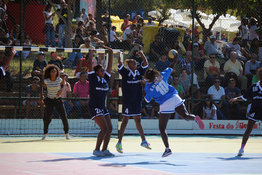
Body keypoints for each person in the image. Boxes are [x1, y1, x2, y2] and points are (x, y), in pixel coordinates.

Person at [143, 51, 204, 157]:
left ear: (148, 78)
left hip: (165, 103)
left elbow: (147, 100)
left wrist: (143, 86)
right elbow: (171, 67)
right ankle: (196, 118)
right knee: (185, 115)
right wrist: (175, 59)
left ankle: (167, 149)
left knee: (162, 128)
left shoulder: (148, 87)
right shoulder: (161, 76)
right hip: (175, 97)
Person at [116, 50, 151, 153]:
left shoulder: (139, 72)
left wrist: (142, 53)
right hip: (127, 101)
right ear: (129, 65)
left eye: (136, 62)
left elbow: (146, 63)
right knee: (125, 121)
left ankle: (143, 141)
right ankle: (119, 142)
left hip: (136, 100)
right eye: (133, 62)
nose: (135, 63)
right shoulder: (125, 72)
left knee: (138, 120)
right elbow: (119, 63)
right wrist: (120, 54)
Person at [87, 46, 114, 157]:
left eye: (103, 70)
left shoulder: (105, 79)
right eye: (101, 70)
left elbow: (110, 66)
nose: (103, 71)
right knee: (104, 129)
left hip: (102, 106)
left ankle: (105, 150)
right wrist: (91, 53)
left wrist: (110, 52)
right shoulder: (93, 78)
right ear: (97, 72)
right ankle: (96, 149)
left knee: (110, 129)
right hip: (94, 106)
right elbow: (89, 64)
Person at [229, 67, 262, 156]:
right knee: (248, 130)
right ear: (259, 77)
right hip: (255, 111)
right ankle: (242, 148)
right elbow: (244, 97)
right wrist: (236, 98)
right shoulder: (254, 87)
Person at [41, 64, 70, 140]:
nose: (54, 72)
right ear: (50, 73)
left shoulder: (59, 80)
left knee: (64, 116)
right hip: (49, 100)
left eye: (55, 71)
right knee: (47, 118)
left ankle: (67, 134)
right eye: (52, 71)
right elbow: (41, 86)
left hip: (58, 100)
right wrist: (42, 96)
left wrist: (61, 90)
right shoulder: (46, 81)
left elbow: (63, 84)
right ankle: (45, 133)